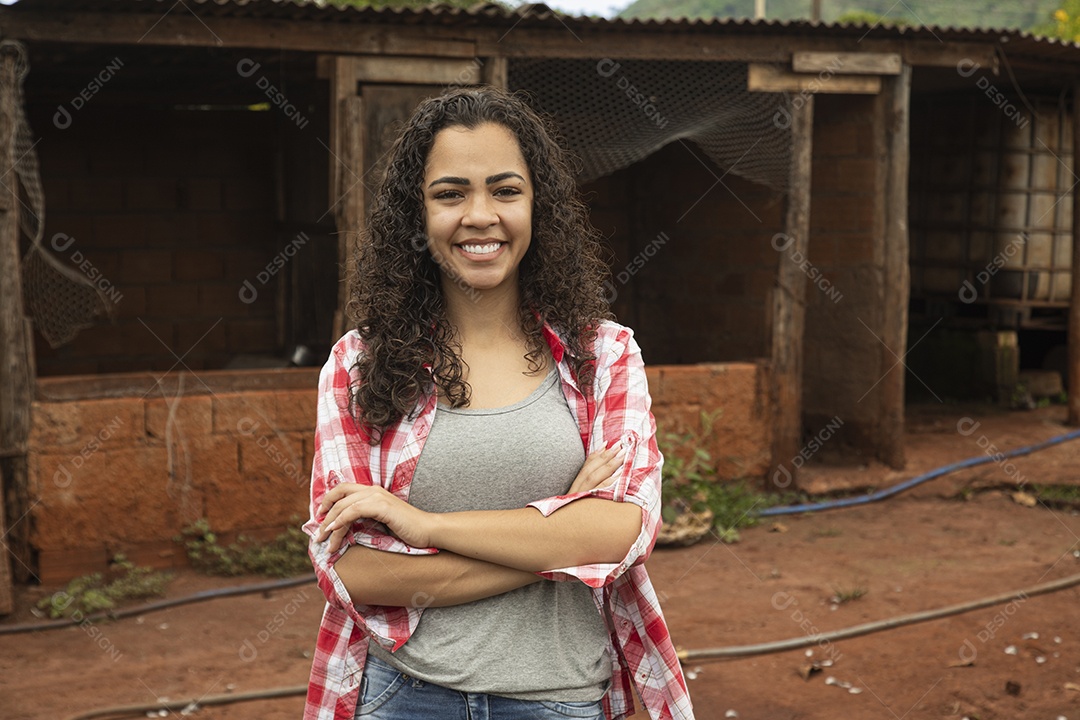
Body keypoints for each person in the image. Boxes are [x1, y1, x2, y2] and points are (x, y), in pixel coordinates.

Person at [303, 86, 694, 720]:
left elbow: (624, 532)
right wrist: (560, 531)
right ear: (417, 214)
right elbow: (354, 573)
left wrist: (423, 527)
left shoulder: (603, 356)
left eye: (506, 190)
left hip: (559, 700)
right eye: (450, 193)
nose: (479, 215)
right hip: (404, 697)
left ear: (539, 207)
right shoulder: (359, 365)